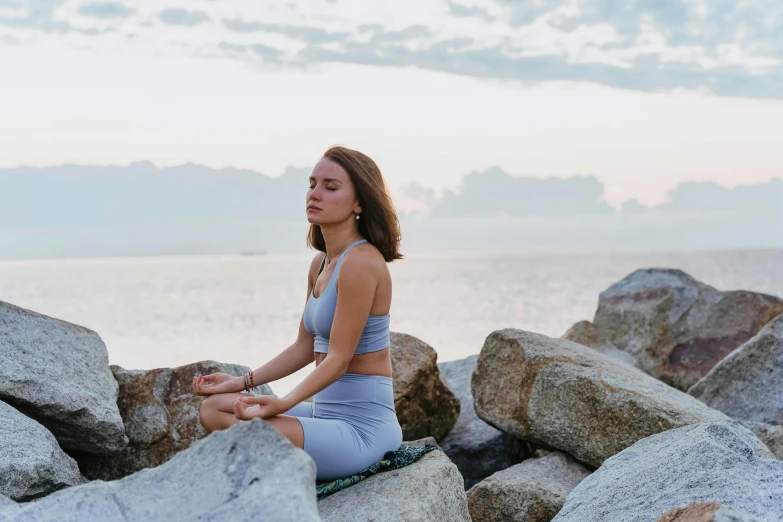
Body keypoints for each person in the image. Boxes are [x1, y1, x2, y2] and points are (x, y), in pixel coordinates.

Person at [193, 145, 404, 481]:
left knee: (243, 422)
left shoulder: (362, 263)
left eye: (330, 187)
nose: (315, 194)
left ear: (359, 202)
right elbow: (304, 348)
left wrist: (283, 403)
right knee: (215, 408)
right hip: (325, 415)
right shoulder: (320, 263)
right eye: (312, 184)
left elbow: (338, 360)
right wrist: (241, 382)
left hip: (362, 430)